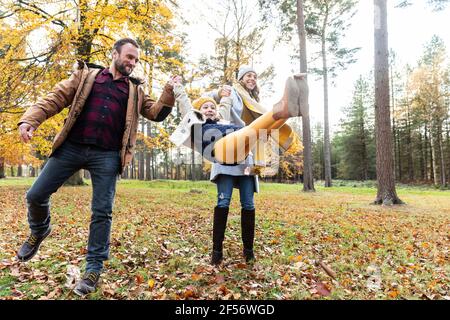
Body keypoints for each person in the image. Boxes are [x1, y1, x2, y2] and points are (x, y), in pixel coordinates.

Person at [16, 38, 175, 296]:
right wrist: (30, 120)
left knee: (102, 211)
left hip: (107, 156)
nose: (133, 63)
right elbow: (55, 98)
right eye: (129, 57)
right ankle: (40, 229)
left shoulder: (135, 91)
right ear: (115, 54)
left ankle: (93, 268)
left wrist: (168, 91)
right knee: (35, 194)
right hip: (72, 147)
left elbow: (155, 113)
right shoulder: (87, 76)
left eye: (136, 60)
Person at [169, 71, 308, 265]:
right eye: (206, 107)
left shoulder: (224, 117)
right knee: (223, 204)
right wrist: (178, 86)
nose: (209, 109)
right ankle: (216, 252)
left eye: (212, 107)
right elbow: (185, 102)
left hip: (243, 160)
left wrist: (224, 99)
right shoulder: (196, 120)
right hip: (222, 157)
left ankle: (289, 110)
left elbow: (225, 105)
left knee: (249, 204)